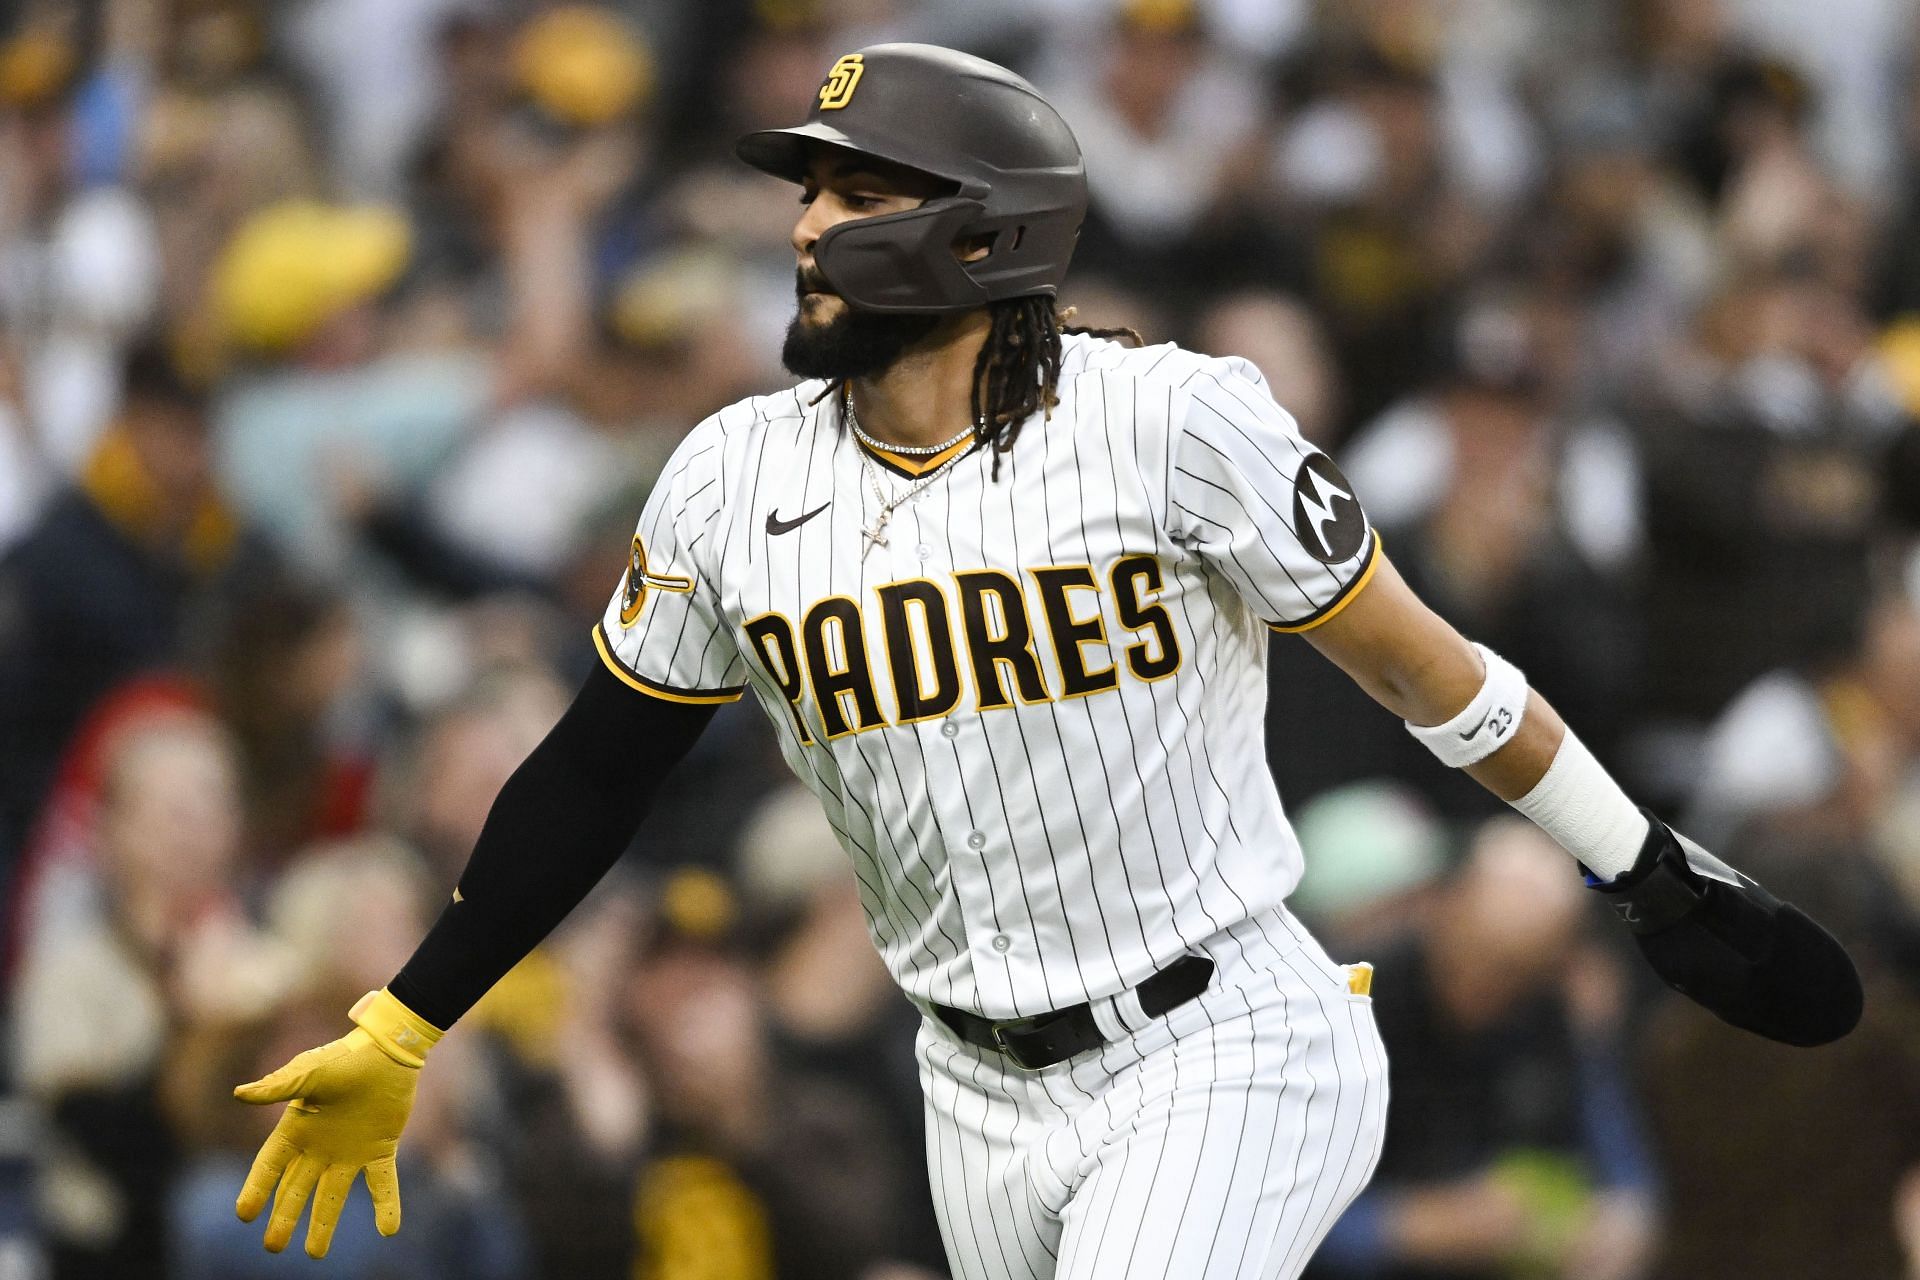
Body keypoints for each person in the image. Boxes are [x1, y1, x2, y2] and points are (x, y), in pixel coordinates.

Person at [229, 44, 1860, 1279]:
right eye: (806, 190)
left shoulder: (1171, 421)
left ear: (983, 237)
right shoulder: (728, 476)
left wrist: (1645, 872)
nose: (804, 228)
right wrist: (407, 1018)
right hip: (972, 1089)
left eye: (855, 195)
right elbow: (594, 770)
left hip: (1224, 1038)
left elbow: (1429, 672)